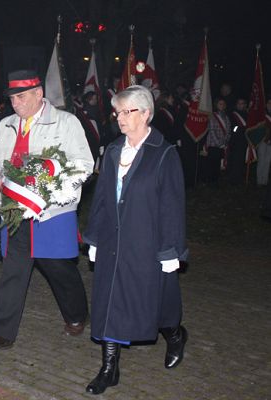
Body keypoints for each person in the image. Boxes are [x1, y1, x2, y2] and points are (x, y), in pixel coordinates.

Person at [0, 70, 94, 354]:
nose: (15, 104)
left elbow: (83, 164)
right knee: (14, 269)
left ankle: (76, 314)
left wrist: (53, 187)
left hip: (50, 211)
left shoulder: (66, 122)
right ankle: (0, 333)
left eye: (21, 97)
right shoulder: (7, 124)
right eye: (12, 98)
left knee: (57, 267)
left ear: (39, 93)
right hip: (14, 210)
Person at [83, 85, 188, 395]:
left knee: (152, 305)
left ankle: (175, 334)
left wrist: (170, 249)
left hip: (146, 242)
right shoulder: (114, 150)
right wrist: (94, 237)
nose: (120, 118)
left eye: (127, 112)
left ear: (146, 113)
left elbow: (172, 205)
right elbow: (101, 199)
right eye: (117, 113)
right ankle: (109, 368)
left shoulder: (164, 153)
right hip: (113, 241)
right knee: (110, 300)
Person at [202, 98, 231, 184]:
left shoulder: (226, 117)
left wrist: (225, 141)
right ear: (216, 105)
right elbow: (211, 130)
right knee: (211, 163)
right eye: (220, 104)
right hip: (213, 144)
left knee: (218, 163)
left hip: (222, 144)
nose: (222, 105)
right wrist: (218, 143)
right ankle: (209, 181)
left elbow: (229, 130)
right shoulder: (212, 116)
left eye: (223, 104)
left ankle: (215, 181)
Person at [257, 99, 271, 186]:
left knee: (268, 160)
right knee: (261, 160)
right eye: (269, 103)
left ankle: (265, 181)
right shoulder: (262, 115)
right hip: (262, 140)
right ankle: (259, 181)